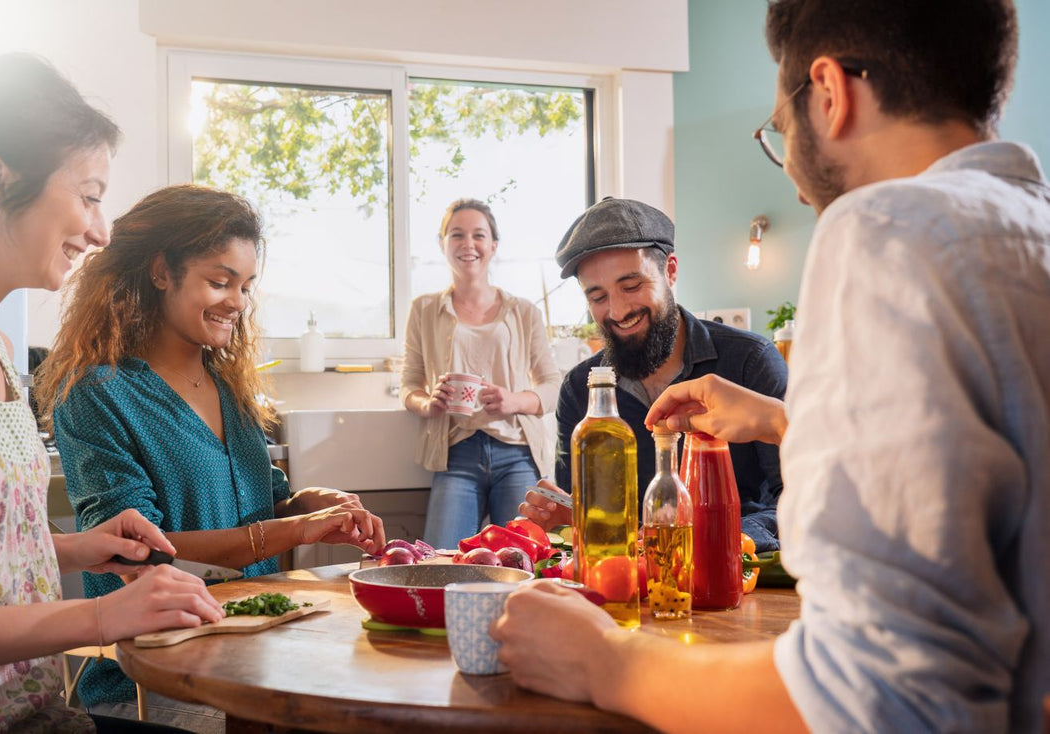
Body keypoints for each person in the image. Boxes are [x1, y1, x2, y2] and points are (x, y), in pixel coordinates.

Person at [494, 0, 1050, 731]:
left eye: (780, 134)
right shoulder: (1026, 227)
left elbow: (886, 695)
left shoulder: (886, 231)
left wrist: (605, 663)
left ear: (830, 91)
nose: (789, 169)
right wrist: (786, 421)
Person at [35, 184, 387, 728]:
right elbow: (137, 550)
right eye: (220, 281)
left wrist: (319, 509)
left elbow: (269, 500)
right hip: (157, 677)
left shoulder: (230, 386)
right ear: (160, 271)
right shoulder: (98, 393)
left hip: (260, 657)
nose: (238, 302)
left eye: (245, 286)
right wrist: (296, 531)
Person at [0, 53, 223, 733]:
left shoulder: (1, 354)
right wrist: (97, 615)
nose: (101, 232)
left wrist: (75, 548)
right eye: (90, 195)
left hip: (38, 714)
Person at [523, 197, 787, 552]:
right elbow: (583, 514)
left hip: (741, 577)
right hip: (629, 585)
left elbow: (797, 494)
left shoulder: (750, 362)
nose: (617, 311)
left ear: (671, 270)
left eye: (631, 286)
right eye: (598, 297)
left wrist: (723, 539)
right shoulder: (579, 390)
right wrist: (567, 518)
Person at [401, 198, 561, 549]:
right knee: (439, 561)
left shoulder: (524, 312)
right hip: (455, 452)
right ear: (443, 244)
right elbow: (409, 384)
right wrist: (427, 404)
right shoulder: (424, 309)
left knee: (523, 560)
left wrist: (512, 400)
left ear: (493, 245)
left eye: (478, 235)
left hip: (516, 451)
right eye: (456, 234)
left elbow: (553, 387)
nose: (468, 244)